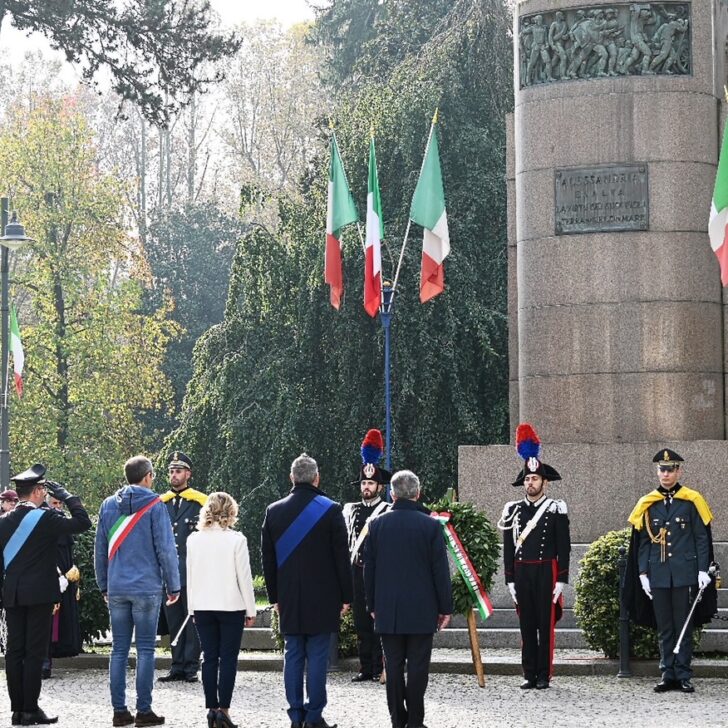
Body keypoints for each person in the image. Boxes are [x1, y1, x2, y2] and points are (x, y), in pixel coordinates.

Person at [261, 453, 353, 728]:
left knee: (293, 655)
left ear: (291, 478)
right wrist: (347, 596)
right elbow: (341, 558)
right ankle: (314, 717)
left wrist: (274, 596)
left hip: (288, 596)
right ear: (316, 478)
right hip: (323, 597)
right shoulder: (331, 509)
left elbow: (267, 560)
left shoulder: (273, 510)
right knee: (317, 658)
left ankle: (295, 716)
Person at [0, 463, 91, 726]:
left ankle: (17, 710)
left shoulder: (4, 521)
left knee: (15, 652)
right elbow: (82, 522)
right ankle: (30, 709)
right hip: (40, 595)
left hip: (13, 595)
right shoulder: (47, 518)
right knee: (34, 652)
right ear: (39, 491)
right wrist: (68, 497)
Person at [94, 455, 181, 728]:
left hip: (117, 586)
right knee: (145, 649)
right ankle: (144, 711)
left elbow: (100, 550)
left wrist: (103, 584)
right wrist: (174, 584)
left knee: (118, 650)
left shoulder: (108, 505)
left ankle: (119, 711)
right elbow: (165, 549)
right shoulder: (155, 505)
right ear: (148, 476)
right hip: (146, 588)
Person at [363, 469, 452, 728]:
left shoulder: (377, 525)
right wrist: (445, 606)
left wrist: (372, 604)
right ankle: (415, 720)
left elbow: (369, 569)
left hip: (387, 608)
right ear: (418, 493)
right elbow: (440, 570)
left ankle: (397, 719)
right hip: (422, 608)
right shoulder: (431, 525)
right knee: (418, 666)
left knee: (392, 666)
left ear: (391, 493)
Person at [627, 449, 713, 694]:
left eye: (670, 469)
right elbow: (643, 542)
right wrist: (642, 573)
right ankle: (667, 674)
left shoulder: (691, 500)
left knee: (682, 625)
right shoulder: (649, 503)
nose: (665, 473)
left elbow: (700, 538)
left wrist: (702, 570)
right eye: (661, 469)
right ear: (657, 472)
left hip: (685, 573)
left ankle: (684, 674)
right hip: (659, 574)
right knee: (664, 626)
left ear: (679, 471)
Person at [498, 423, 571, 690]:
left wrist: (561, 579)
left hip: (547, 571)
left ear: (544, 482)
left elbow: (564, 546)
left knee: (545, 626)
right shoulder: (513, 510)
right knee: (527, 626)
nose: (531, 483)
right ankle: (529, 673)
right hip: (522, 572)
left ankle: (544, 675)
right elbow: (508, 547)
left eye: (535, 479)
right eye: (527, 479)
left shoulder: (556, 509)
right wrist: (509, 580)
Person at [186, 492, 256, 728]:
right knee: (228, 659)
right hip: (231, 606)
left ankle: (211, 709)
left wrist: (191, 608)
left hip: (203, 606)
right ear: (231, 511)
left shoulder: (193, 539)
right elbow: (244, 578)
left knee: (208, 659)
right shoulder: (237, 540)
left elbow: (191, 576)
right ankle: (224, 710)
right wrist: (251, 609)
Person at [343, 428, 391, 683]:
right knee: (361, 621)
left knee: (377, 621)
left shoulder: (387, 510)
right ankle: (365, 667)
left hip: (379, 573)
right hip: (357, 571)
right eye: (363, 483)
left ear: (380, 486)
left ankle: (380, 667)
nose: (366, 487)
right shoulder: (351, 510)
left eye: (370, 483)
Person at [158, 451, 207, 683]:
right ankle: (176, 665)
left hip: (192, 570)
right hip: (168, 572)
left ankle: (190, 666)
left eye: (178, 471)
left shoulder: (201, 502)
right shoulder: (161, 503)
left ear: (188, 474)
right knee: (174, 620)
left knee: (191, 618)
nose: (174, 475)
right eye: (171, 471)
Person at [41, 495, 82, 679]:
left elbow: (68, 553)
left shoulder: (63, 525)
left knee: (57, 624)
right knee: (43, 625)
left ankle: (48, 661)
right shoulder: (43, 522)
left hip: (64, 580)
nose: (57, 507)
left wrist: (69, 574)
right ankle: (43, 663)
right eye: (54, 504)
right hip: (46, 580)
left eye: (59, 504)